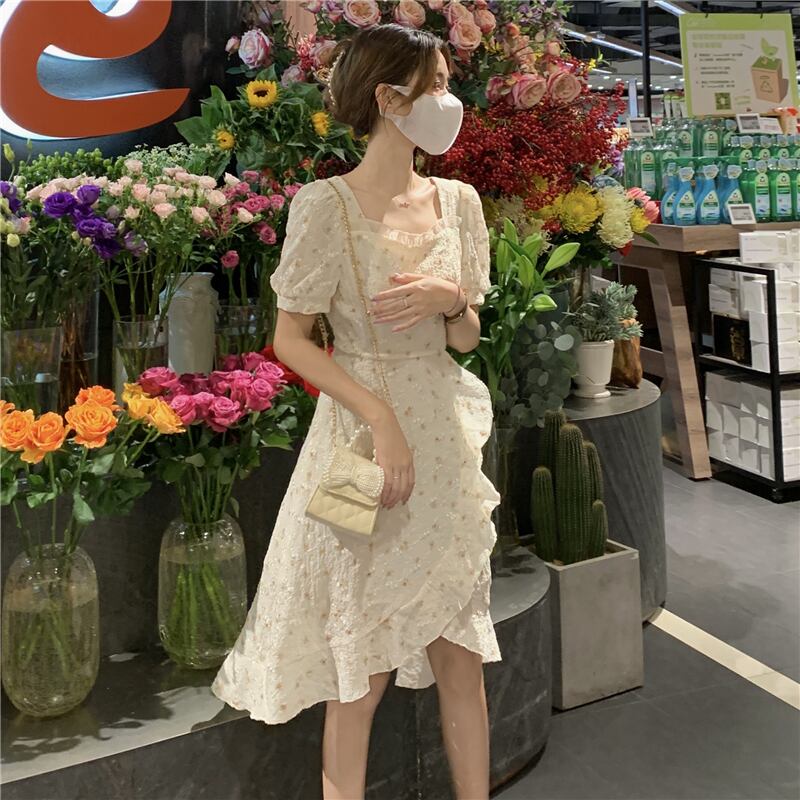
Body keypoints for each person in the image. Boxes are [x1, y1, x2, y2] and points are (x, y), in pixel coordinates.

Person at [211, 23, 502, 800]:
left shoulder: (459, 204)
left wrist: (450, 302)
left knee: (461, 656)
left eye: (447, 83)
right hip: (352, 442)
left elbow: (467, 338)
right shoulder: (326, 207)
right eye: (435, 85)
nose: (449, 100)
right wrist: (379, 417)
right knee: (356, 670)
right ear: (388, 98)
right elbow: (292, 339)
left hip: (444, 439)